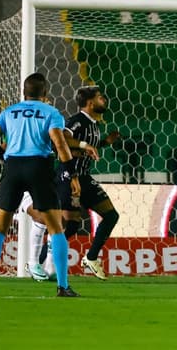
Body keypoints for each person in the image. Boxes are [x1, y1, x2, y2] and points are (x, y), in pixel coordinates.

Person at [0, 73, 79, 297]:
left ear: (24, 92)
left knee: (0, 227)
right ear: (45, 93)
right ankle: (62, 286)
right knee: (56, 228)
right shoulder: (51, 112)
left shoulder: (10, 112)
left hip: (13, 167)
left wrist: (2, 155)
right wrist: (71, 174)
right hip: (39, 167)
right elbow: (60, 144)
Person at [55, 86, 121, 281]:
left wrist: (105, 142)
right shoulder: (77, 121)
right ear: (90, 102)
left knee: (111, 215)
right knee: (69, 225)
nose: (104, 100)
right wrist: (85, 145)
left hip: (84, 176)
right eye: (101, 97)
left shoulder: (94, 124)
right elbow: (64, 139)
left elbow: (88, 148)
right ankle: (39, 261)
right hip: (69, 176)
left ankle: (91, 258)